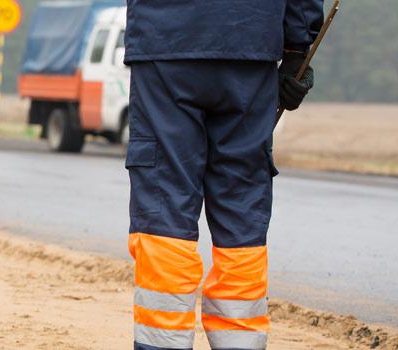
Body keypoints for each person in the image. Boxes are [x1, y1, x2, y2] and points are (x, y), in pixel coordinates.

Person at [123, 1, 322, 349]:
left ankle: (162, 343)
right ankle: (239, 341)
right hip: (251, 43)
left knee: (164, 204)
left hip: (165, 41)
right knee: (241, 208)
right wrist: (296, 48)